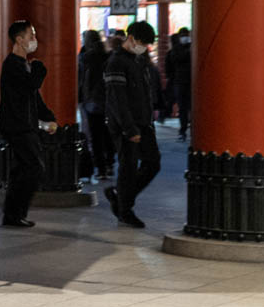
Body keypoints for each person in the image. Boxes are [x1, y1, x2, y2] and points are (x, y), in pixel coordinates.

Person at [0, 20, 58, 228]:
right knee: (34, 168)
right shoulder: (12, 64)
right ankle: (14, 213)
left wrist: (48, 117)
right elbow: (32, 84)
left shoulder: (23, 64)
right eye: (31, 35)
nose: (34, 39)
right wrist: (39, 69)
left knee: (22, 170)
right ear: (19, 39)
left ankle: (13, 215)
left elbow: (33, 95)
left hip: (25, 124)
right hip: (17, 125)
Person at [103, 20, 161, 229]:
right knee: (128, 167)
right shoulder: (116, 62)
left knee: (153, 163)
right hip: (125, 126)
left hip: (144, 123)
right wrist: (129, 128)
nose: (144, 47)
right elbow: (117, 100)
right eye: (142, 43)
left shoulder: (139, 61)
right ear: (131, 38)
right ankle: (125, 211)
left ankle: (120, 198)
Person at [78, 29, 114, 182]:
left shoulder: (85, 58)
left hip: (92, 101)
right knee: (108, 133)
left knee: (95, 135)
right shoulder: (108, 56)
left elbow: (82, 80)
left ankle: (101, 168)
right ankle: (110, 163)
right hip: (109, 100)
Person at [168, 28, 193, 139]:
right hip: (181, 81)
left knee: (189, 106)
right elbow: (175, 60)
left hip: (186, 81)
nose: (185, 37)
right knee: (183, 107)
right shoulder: (177, 49)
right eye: (183, 35)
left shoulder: (191, 47)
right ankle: (183, 129)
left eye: (186, 35)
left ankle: (188, 128)